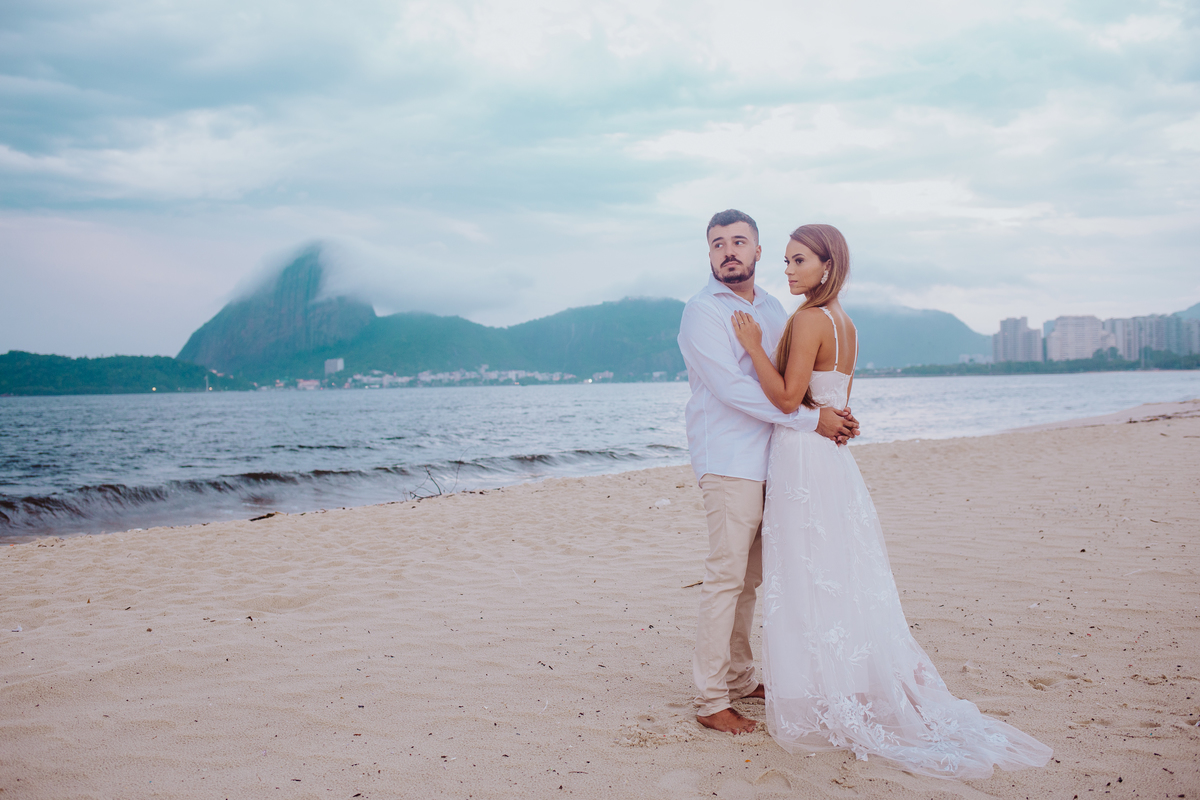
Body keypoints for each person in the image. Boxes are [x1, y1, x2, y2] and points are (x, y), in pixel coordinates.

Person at [730, 223, 1052, 779]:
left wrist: (754, 347)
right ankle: (839, 680)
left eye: (799, 260)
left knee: (806, 573)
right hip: (831, 461)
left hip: (803, 458)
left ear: (827, 265)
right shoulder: (845, 322)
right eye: (785, 260)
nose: (788, 270)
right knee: (836, 573)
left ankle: (821, 689)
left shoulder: (808, 319)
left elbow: (786, 399)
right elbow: (834, 399)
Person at [677, 210, 860, 736]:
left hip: (778, 460)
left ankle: (739, 677)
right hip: (730, 460)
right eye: (718, 244)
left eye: (739, 241)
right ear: (709, 255)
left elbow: (790, 380)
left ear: (757, 251)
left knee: (751, 580)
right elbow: (732, 388)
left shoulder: (776, 308)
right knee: (725, 577)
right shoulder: (702, 312)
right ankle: (711, 698)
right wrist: (812, 420)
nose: (728, 251)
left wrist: (832, 412)